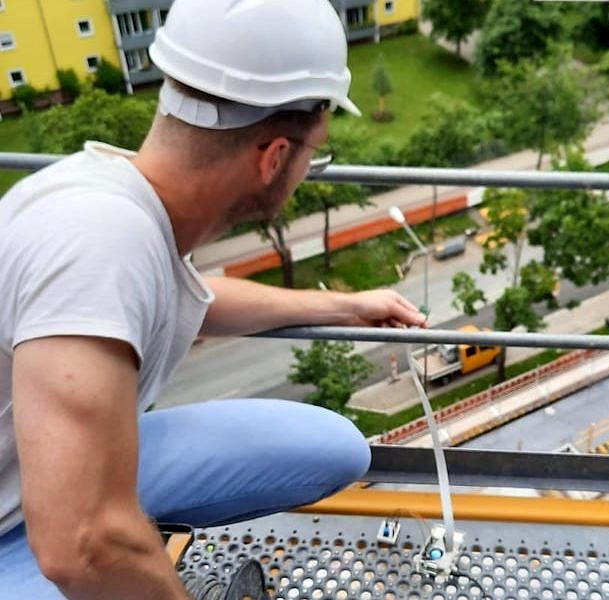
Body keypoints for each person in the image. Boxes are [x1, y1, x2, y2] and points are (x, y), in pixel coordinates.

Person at [0, 0, 426, 597]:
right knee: (100, 546)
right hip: (25, 522)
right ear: (274, 156)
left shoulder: (111, 196)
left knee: (330, 450)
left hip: (38, 473)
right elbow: (79, 543)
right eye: (313, 155)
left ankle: (134, 539)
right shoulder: (100, 243)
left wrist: (345, 305)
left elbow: (182, 296)